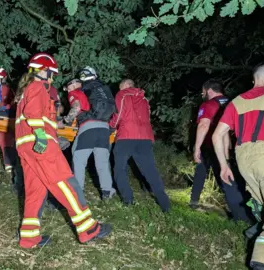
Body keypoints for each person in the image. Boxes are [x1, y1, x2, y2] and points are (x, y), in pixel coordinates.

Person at [15, 52, 111, 248]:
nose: (52, 78)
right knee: (66, 184)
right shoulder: (38, 86)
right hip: (40, 145)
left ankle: (29, 237)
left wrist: (55, 132)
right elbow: (33, 114)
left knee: (35, 192)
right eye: (51, 74)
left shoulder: (25, 90)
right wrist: (42, 136)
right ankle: (88, 229)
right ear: (44, 71)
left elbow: (35, 118)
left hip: (26, 147)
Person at [212, 63, 264, 270]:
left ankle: (255, 231)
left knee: (263, 207)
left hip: (244, 160)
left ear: (254, 80)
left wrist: (224, 166)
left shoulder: (236, 102)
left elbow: (217, 135)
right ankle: (262, 261)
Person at [190, 79, 250, 222]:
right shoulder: (233, 102)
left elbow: (204, 125)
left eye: (203, 91)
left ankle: (240, 217)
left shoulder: (208, 104)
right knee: (233, 178)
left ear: (208, 90)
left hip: (212, 147)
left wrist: (197, 147)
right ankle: (246, 210)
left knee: (222, 177)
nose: (202, 93)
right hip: (235, 148)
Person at [109, 79, 170, 212]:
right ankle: (165, 205)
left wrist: (111, 126)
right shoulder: (145, 99)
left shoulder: (122, 95)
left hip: (126, 136)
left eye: (121, 87)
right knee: (150, 170)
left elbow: (118, 115)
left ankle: (128, 200)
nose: (120, 90)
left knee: (120, 169)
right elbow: (147, 119)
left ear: (125, 86)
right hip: (145, 138)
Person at [62, 68, 117, 200]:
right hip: (104, 127)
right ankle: (107, 192)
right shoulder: (102, 89)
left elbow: (76, 107)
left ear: (76, 84)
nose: (68, 91)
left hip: (88, 127)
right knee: (102, 162)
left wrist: (66, 120)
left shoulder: (76, 92)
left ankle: (78, 192)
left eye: (69, 87)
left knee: (78, 159)